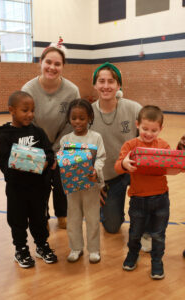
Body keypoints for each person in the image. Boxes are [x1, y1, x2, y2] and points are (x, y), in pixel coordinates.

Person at [22, 38, 80, 229]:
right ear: (41, 63)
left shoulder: (72, 91)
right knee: (37, 184)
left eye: (57, 64)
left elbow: (72, 123)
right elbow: (28, 123)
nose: (52, 67)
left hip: (61, 144)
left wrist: (56, 150)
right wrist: (45, 151)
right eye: (48, 62)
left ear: (63, 66)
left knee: (62, 179)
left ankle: (63, 214)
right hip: (35, 145)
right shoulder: (28, 90)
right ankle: (41, 216)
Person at [0, 91, 58, 268]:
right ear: (11, 110)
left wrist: (46, 161)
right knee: (18, 220)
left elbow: (48, 152)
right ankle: (21, 249)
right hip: (17, 190)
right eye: (25, 110)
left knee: (39, 218)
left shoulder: (38, 132)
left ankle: (41, 245)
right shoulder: (6, 135)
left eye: (32, 110)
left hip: (38, 188)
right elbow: (3, 161)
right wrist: (22, 166)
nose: (30, 114)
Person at [114, 105, 170, 279]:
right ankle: (132, 254)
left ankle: (157, 261)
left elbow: (172, 166)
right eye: (145, 128)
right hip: (138, 198)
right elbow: (117, 167)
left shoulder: (164, 145)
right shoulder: (130, 145)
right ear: (137, 124)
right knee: (135, 232)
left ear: (160, 129)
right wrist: (124, 164)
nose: (148, 133)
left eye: (154, 130)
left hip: (161, 198)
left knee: (159, 235)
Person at [91, 62, 142, 234]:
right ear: (95, 85)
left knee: (151, 197)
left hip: (134, 170)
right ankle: (109, 211)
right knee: (112, 227)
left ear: (118, 85)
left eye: (111, 81)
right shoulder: (87, 114)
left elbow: (148, 141)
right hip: (108, 177)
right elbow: (80, 153)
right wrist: (93, 186)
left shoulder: (134, 109)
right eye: (101, 81)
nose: (106, 86)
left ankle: (145, 227)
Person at [59, 99, 106, 263]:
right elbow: (62, 160)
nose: (77, 122)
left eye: (82, 118)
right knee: (73, 218)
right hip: (72, 187)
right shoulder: (65, 140)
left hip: (91, 186)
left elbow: (101, 158)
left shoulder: (96, 137)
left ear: (90, 118)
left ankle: (94, 250)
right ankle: (76, 248)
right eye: (74, 118)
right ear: (69, 118)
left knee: (93, 218)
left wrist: (96, 171)